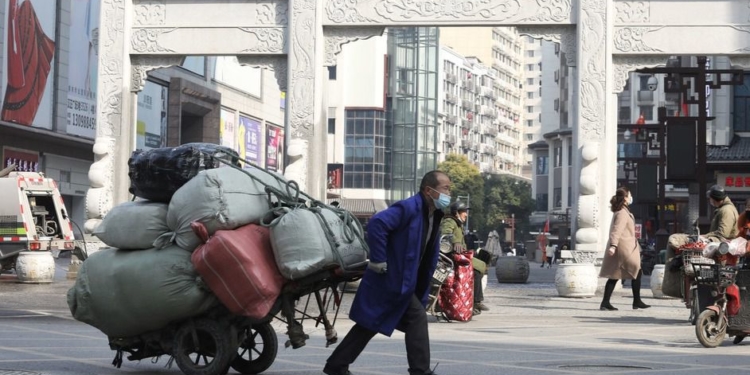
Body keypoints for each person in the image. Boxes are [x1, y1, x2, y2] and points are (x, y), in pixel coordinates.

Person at [323, 171, 449, 375]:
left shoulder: (434, 214)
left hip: (404, 281)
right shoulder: (409, 207)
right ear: (429, 190)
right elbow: (377, 224)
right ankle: (420, 370)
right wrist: (379, 259)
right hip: (391, 279)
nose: (448, 193)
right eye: (445, 188)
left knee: (370, 323)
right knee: (416, 317)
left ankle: (336, 365)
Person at [599, 186, 651, 311]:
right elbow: (616, 230)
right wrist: (613, 245)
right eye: (630, 195)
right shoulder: (622, 213)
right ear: (626, 198)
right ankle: (635, 301)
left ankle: (607, 302)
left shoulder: (623, 211)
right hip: (624, 248)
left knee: (616, 274)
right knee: (634, 271)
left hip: (627, 247)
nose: (631, 197)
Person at [440, 202, 488, 316]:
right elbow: (446, 233)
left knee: (482, 264)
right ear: (456, 213)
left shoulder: (458, 223)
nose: (466, 215)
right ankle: (476, 301)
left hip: (460, 254)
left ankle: (473, 299)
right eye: (464, 212)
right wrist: (454, 241)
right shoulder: (450, 221)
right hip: (452, 256)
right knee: (476, 270)